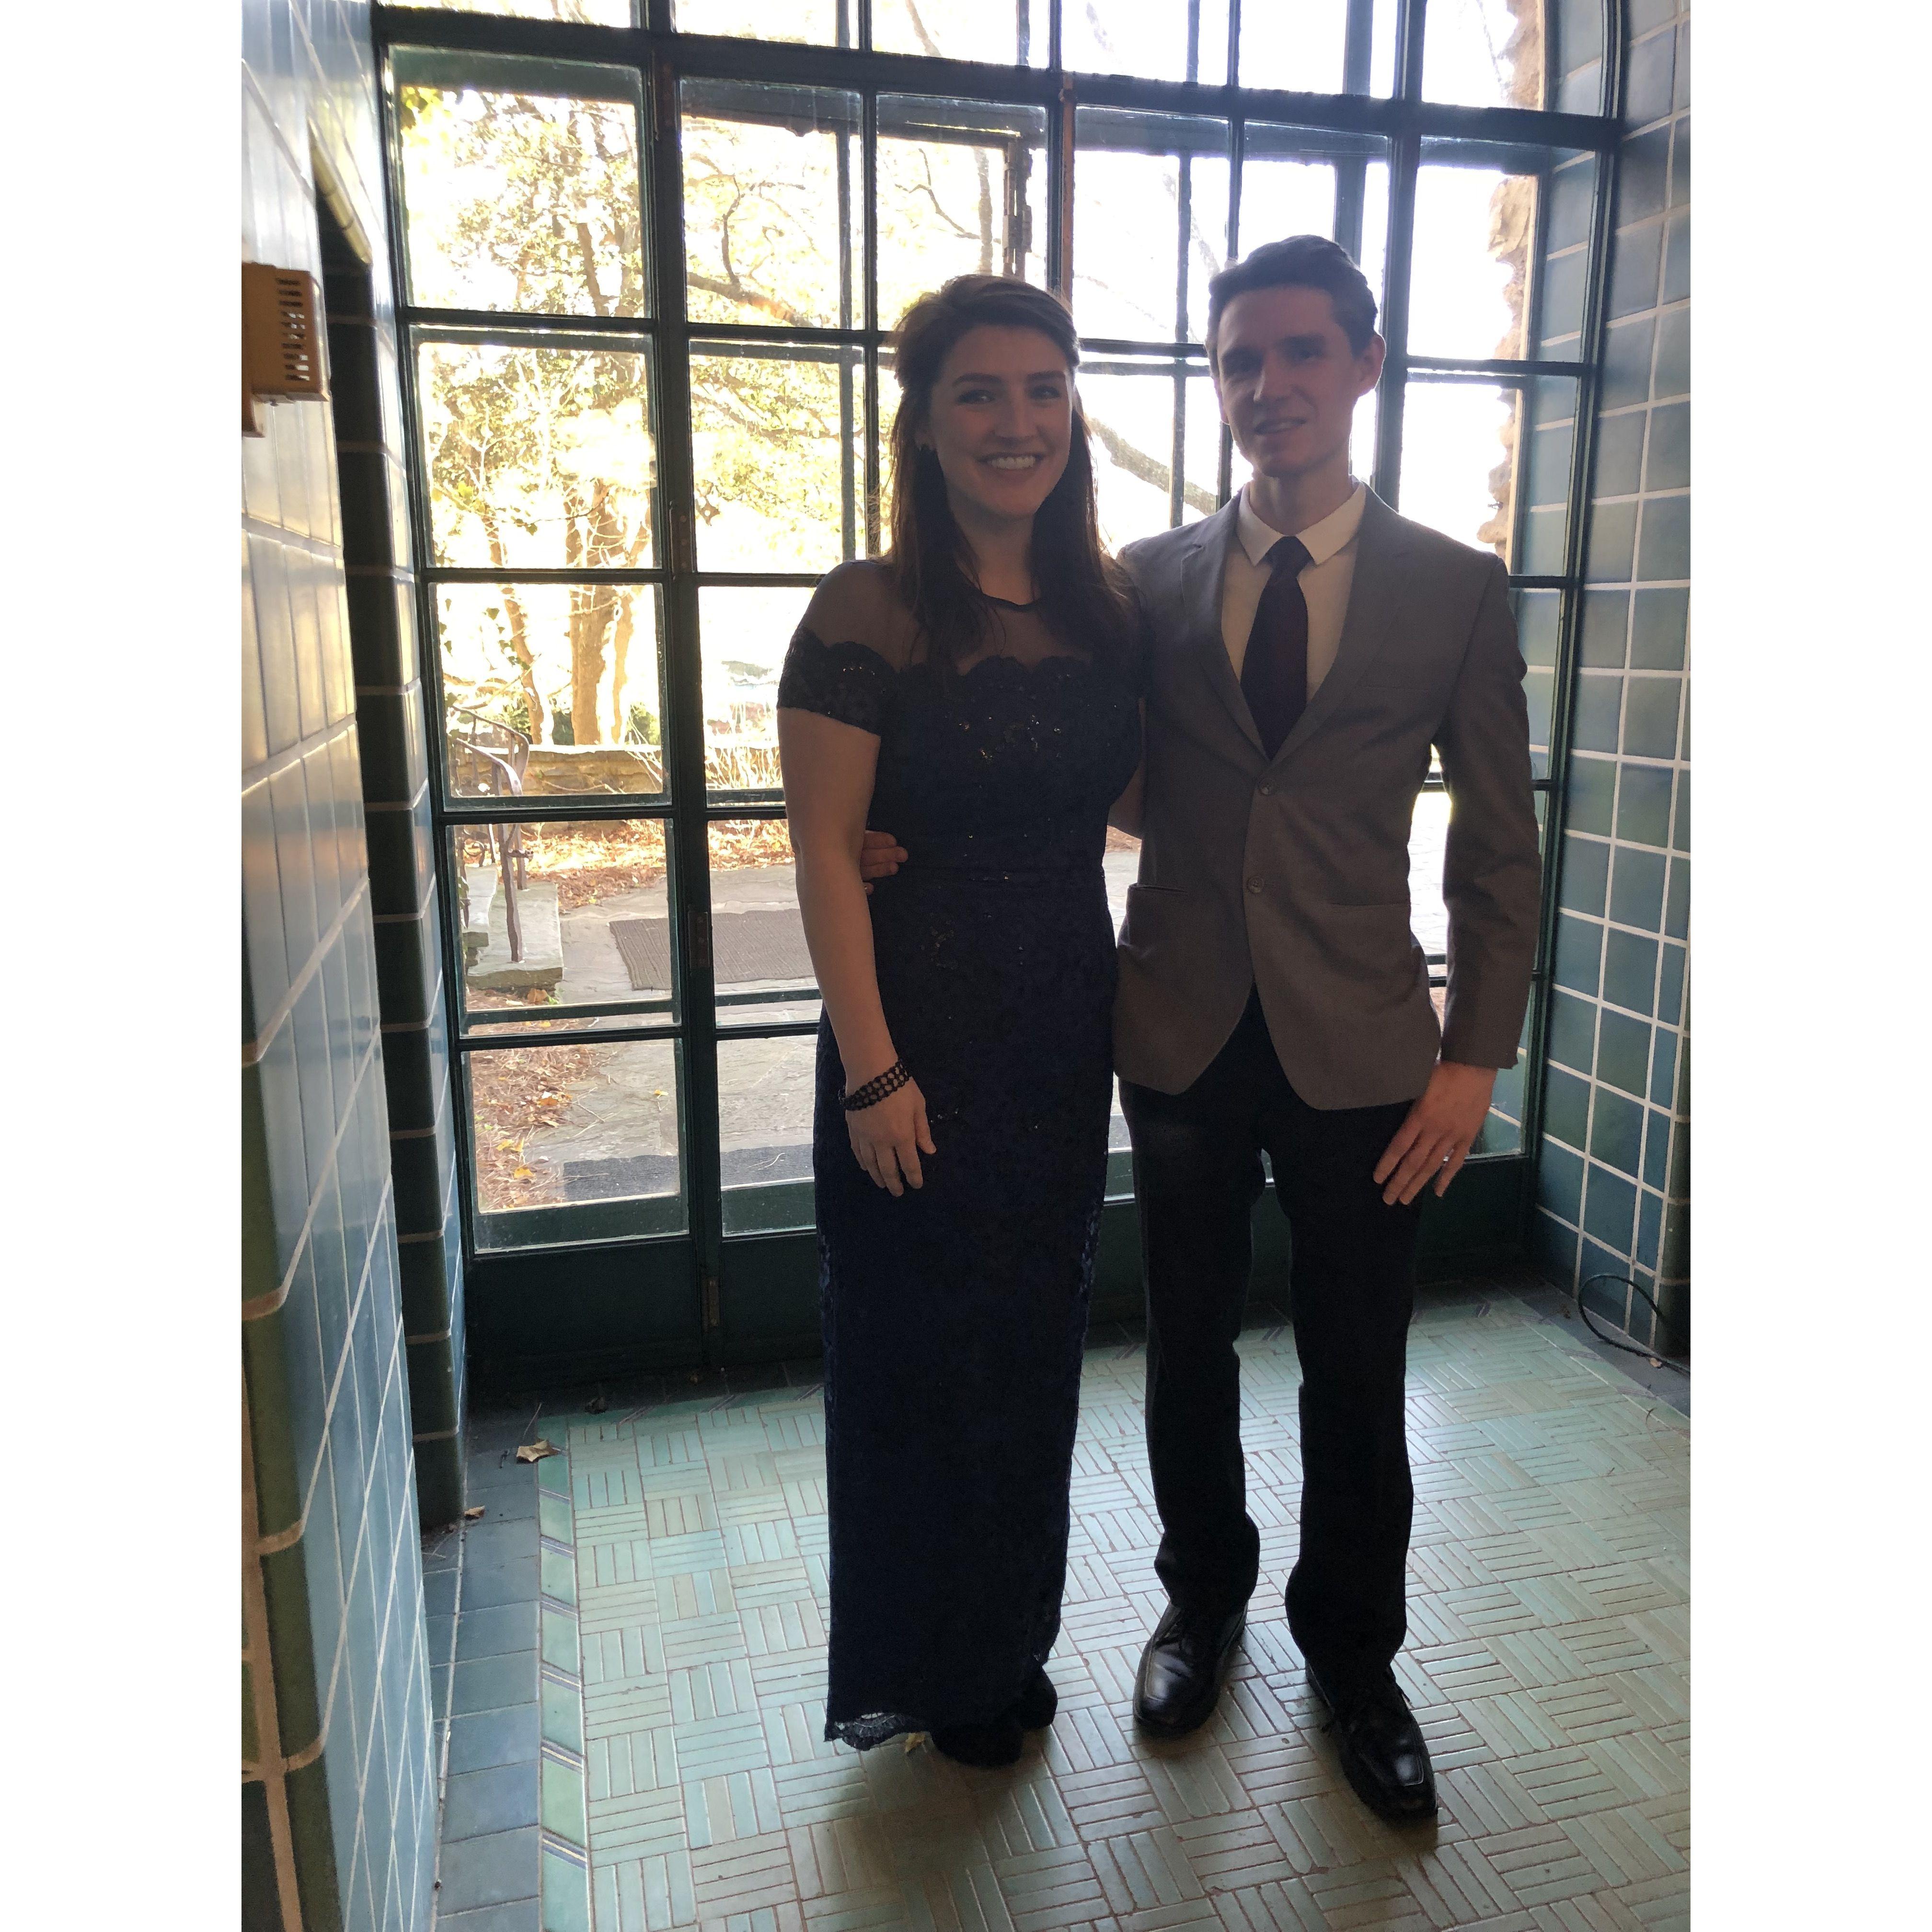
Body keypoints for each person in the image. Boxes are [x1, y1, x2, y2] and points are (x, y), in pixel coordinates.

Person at [861, 235, 1540, 1821]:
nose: (1269, 385)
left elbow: (1499, 847)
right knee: (1185, 1344)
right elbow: (1059, 753)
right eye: (1241, 360)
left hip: (1371, 1050)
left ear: (1363, 365)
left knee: (1358, 1363)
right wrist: (918, 832)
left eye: (1300, 353)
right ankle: (1201, 1605)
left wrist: (1475, 1059)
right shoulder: (1142, 582)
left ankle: (1355, 1659)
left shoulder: (1454, 586)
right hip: (1175, 1025)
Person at [777, 274, 1143, 1769]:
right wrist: (872, 1072)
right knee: (917, 1358)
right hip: (914, 1035)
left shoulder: (1108, 610)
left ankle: (1004, 1647)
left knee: (1029, 1351)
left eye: (1044, 389)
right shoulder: (867, 606)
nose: (1016, 421)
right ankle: (928, 1667)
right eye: (978, 392)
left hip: (1059, 1025)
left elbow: (1135, 798)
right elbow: (822, 850)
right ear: (923, 424)